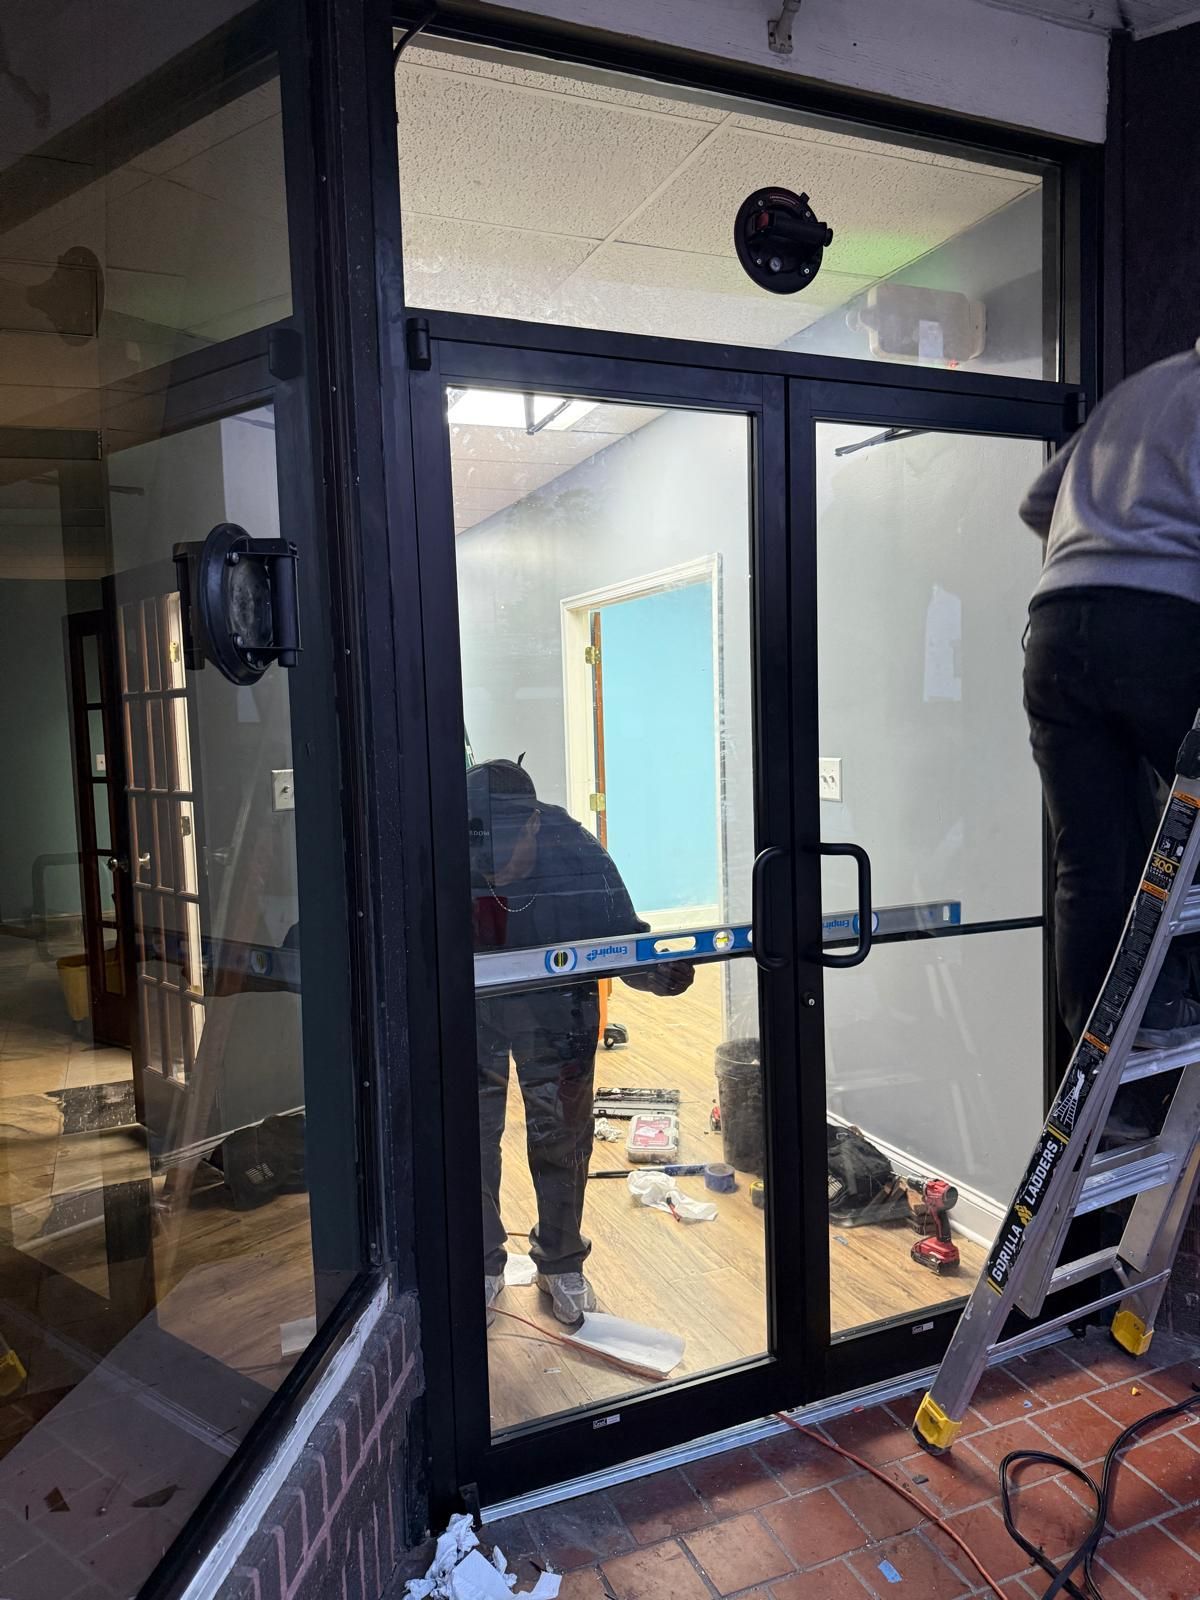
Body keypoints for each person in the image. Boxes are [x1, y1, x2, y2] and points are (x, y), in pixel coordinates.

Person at [1020, 338, 1200, 1068]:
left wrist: (1102, 542)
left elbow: (1039, 501)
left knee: (1089, 853)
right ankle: (1174, 996)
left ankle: (1097, 1050)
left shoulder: (1141, 390)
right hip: (1163, 623)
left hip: (1057, 627)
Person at [467, 757, 694, 1325]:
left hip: (555, 1012)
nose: (491, 868)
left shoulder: (577, 854)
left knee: (562, 1136)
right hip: (469, 1008)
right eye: (479, 849)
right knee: (468, 1134)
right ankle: (481, 1262)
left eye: (505, 854)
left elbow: (623, 940)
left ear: (535, 826)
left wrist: (658, 975)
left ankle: (561, 1262)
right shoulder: (451, 843)